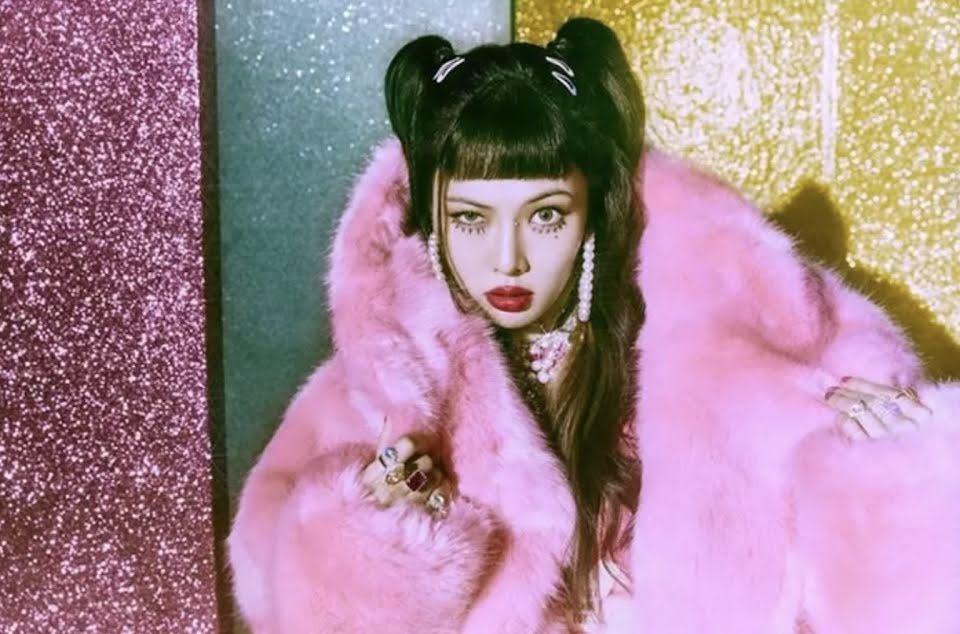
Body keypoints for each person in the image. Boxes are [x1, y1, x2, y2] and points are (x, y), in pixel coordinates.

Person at [227, 17, 960, 633]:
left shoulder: (726, 372)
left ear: (590, 214)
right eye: (471, 219)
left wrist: (886, 472)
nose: (508, 258)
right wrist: (377, 551)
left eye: (545, 216)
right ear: (433, 222)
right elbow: (284, 598)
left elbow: (890, 599)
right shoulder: (383, 402)